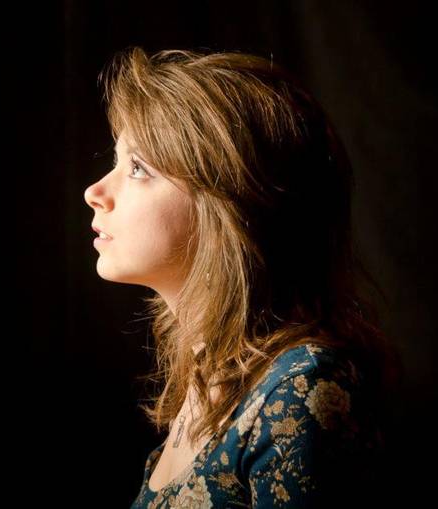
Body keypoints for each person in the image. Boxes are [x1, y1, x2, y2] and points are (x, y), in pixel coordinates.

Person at [83, 46, 402, 508]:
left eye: (138, 168)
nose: (95, 192)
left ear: (227, 202)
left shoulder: (300, 390)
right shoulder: (206, 382)